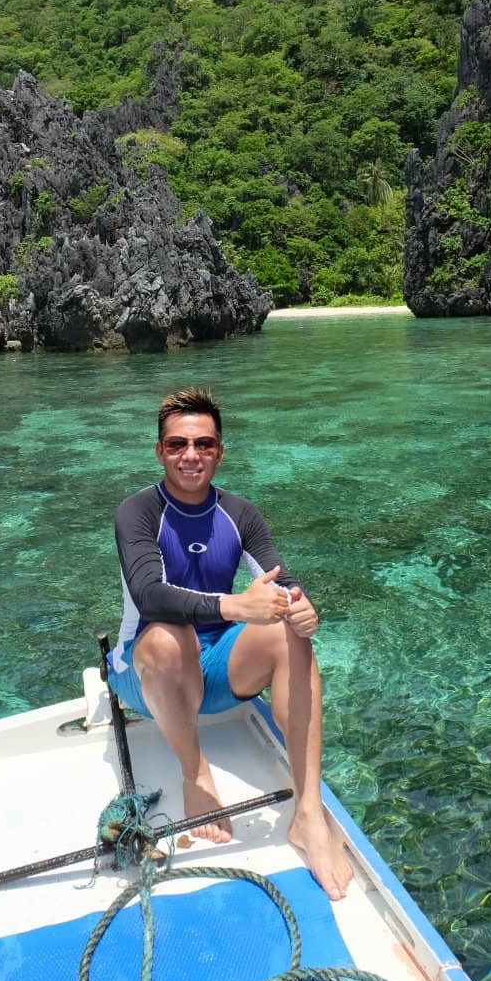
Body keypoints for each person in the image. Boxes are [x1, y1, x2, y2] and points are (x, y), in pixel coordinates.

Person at [108, 384, 353, 901]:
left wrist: (301, 606)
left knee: (289, 632)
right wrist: (233, 606)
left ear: (220, 450)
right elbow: (150, 595)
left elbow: (280, 579)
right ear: (160, 452)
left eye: (203, 444)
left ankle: (307, 814)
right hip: (146, 675)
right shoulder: (137, 512)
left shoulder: (240, 513)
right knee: (170, 638)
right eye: (177, 444)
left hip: (217, 673)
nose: (190, 455)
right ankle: (194, 774)